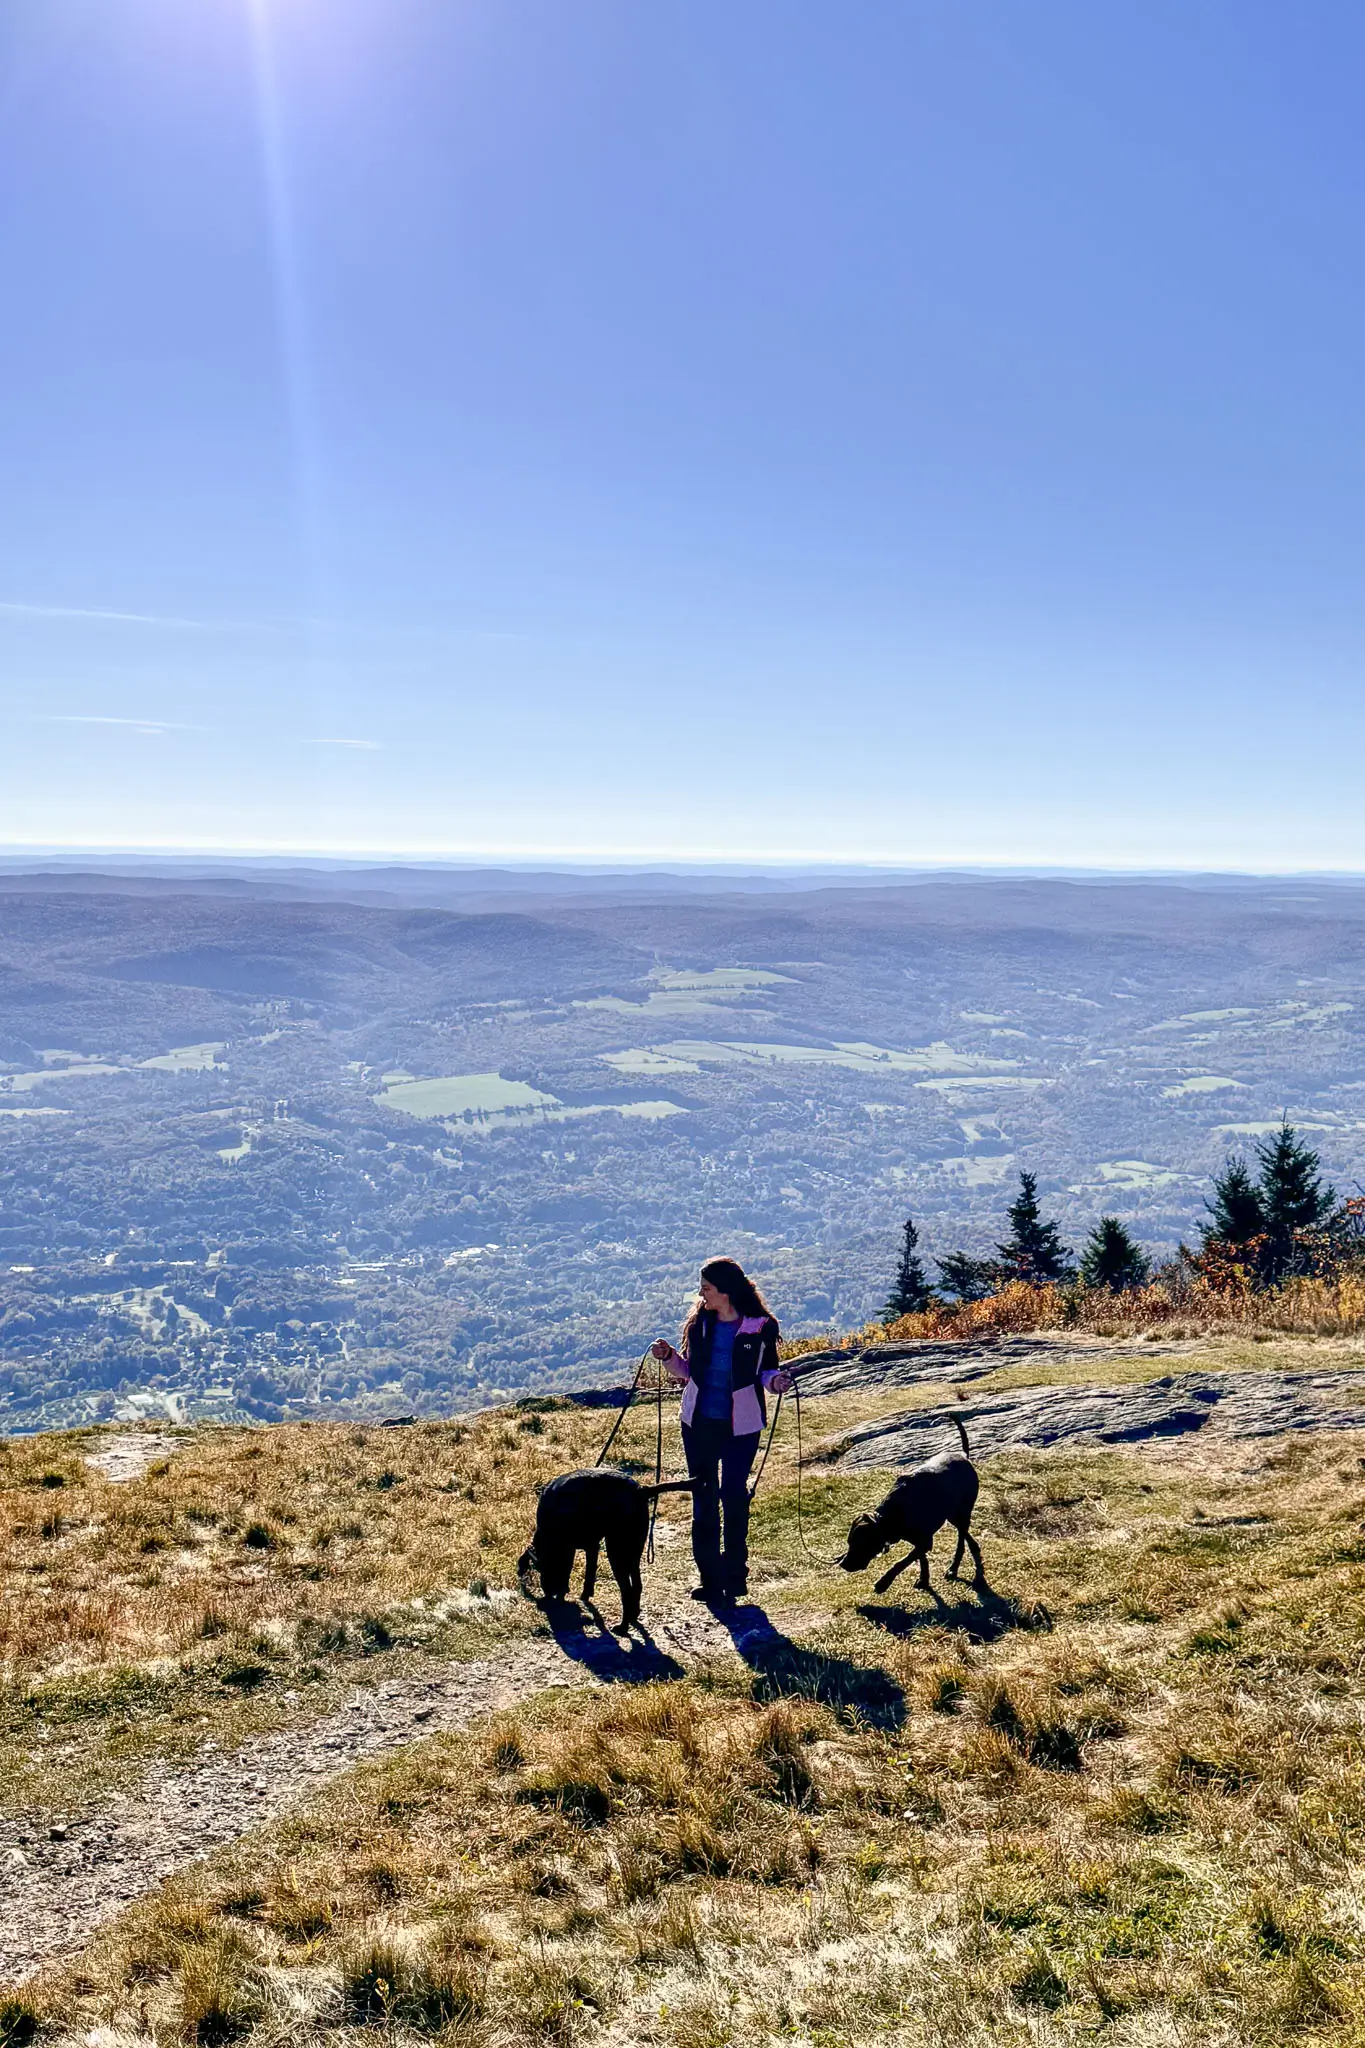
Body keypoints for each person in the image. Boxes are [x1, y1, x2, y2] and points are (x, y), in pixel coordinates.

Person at [651, 1256, 792, 1605]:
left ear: (725, 1292)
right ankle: (710, 1580)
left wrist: (776, 1382)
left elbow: (766, 1371)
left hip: (741, 1428)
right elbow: (686, 1371)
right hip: (698, 1424)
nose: (701, 1295)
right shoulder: (700, 1323)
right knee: (704, 1501)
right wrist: (668, 1355)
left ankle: (735, 1578)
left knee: (733, 1497)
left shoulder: (760, 1327)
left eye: (707, 1289)